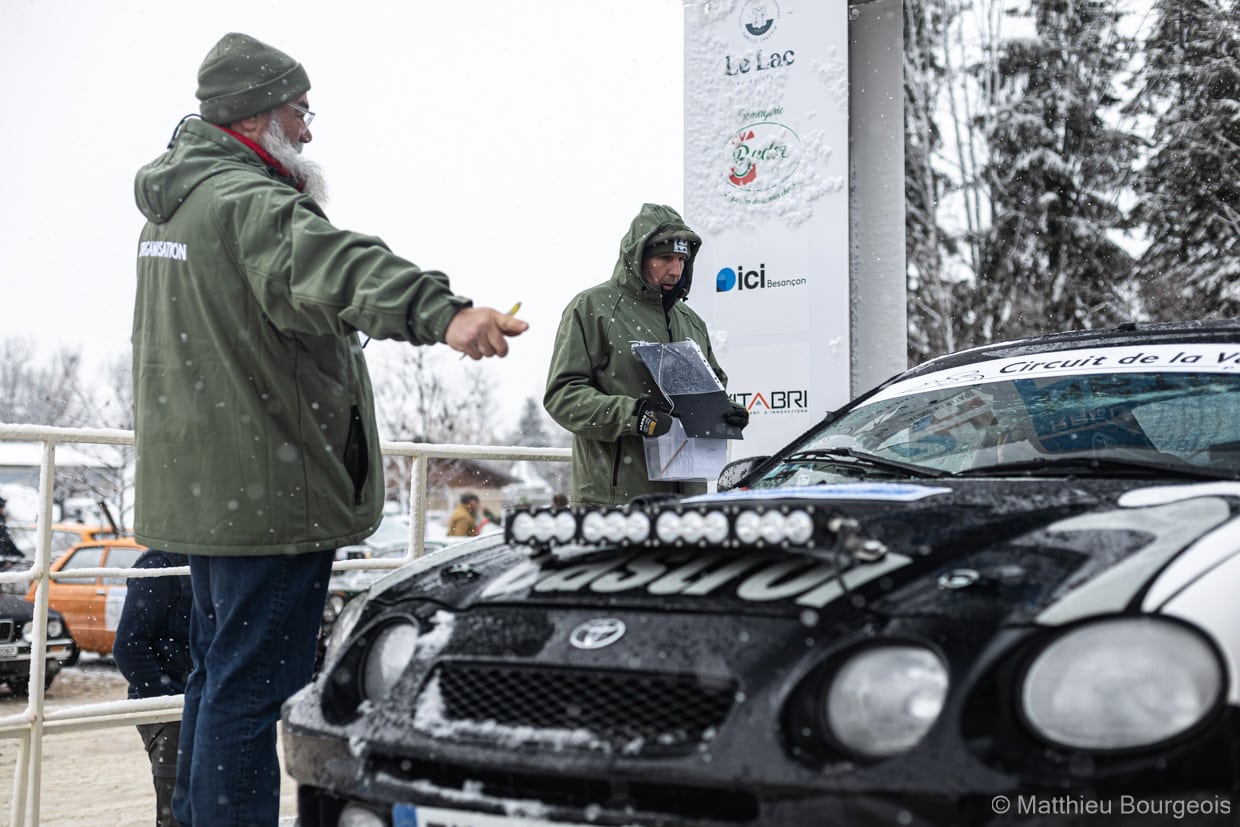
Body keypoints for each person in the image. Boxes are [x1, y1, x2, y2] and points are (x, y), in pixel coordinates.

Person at [130, 32, 527, 827]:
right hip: (268, 496)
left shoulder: (177, 208)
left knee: (215, 676)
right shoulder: (252, 204)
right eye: (299, 112)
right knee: (251, 689)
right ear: (256, 116)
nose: (309, 131)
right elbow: (339, 264)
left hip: (208, 497)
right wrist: (442, 312)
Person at [544, 203, 748, 506]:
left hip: (686, 505)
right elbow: (562, 396)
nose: (676, 269)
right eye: (665, 258)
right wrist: (633, 415)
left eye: (682, 258)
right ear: (638, 257)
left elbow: (710, 387)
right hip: (612, 503)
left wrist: (725, 413)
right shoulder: (592, 308)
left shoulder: (691, 321)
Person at [113, 550, 192, 827]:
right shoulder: (159, 566)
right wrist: (164, 701)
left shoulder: (208, 560)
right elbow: (128, 645)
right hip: (171, 710)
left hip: (201, 701)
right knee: (178, 815)